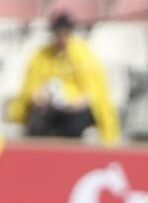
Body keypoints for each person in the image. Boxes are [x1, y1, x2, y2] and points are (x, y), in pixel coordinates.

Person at [7, 12, 121, 145]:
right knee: (38, 122)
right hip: (50, 108)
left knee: (73, 125)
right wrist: (40, 96)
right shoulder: (42, 55)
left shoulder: (83, 54)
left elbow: (93, 92)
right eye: (58, 33)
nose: (61, 38)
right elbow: (31, 87)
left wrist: (74, 102)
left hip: (76, 109)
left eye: (65, 33)